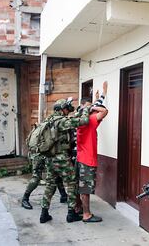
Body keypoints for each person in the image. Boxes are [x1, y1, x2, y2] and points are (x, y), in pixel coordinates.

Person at [40, 98, 90, 223]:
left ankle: (44, 214)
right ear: (62, 109)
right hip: (61, 158)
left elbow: (71, 119)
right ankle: (71, 213)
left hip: (49, 158)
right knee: (72, 184)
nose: (68, 111)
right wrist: (85, 110)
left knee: (50, 185)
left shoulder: (49, 119)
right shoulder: (62, 121)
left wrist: (77, 113)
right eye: (67, 108)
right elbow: (84, 121)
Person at [76, 81, 108, 223]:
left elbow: (95, 111)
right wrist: (96, 102)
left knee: (80, 186)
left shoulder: (79, 120)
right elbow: (104, 111)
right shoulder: (89, 121)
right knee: (86, 189)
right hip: (87, 160)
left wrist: (101, 96)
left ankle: (77, 209)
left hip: (80, 158)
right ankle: (87, 214)